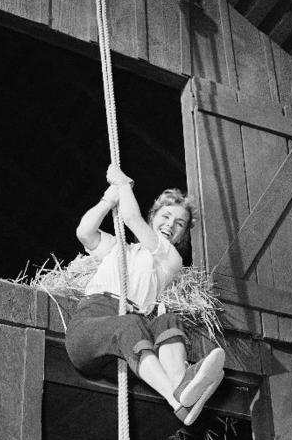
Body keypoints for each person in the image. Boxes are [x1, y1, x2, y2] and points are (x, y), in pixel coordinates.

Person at [65, 164, 225, 426]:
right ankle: (178, 401)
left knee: (167, 320)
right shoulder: (119, 249)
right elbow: (85, 231)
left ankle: (182, 387)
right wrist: (110, 198)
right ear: (153, 217)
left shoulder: (170, 258)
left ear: (183, 234)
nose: (170, 224)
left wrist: (125, 184)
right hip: (88, 330)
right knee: (131, 323)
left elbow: (131, 218)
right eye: (165, 216)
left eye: (179, 223)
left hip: (124, 341)